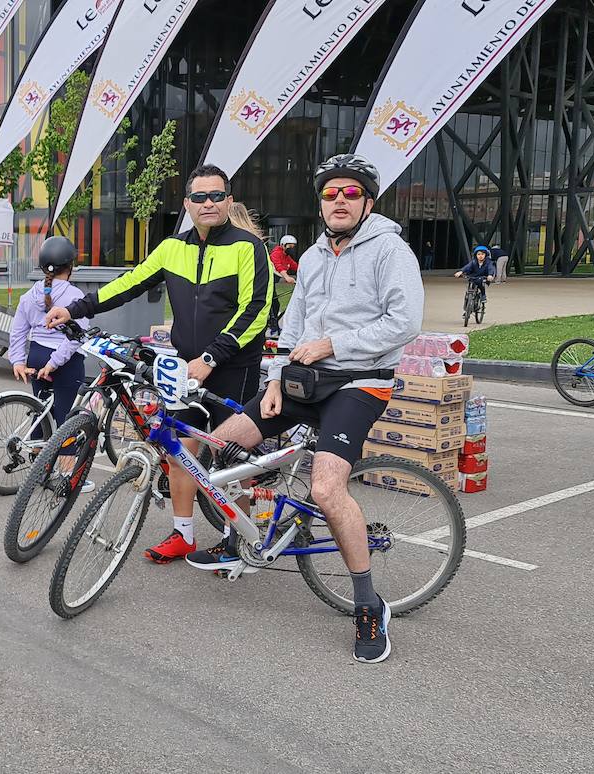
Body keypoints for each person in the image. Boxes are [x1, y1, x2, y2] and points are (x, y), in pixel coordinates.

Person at [182, 153, 422, 664]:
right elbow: (290, 330)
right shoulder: (312, 258)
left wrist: (332, 345)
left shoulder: (390, 250)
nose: (339, 200)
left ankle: (366, 604)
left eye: (350, 193)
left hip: (360, 383)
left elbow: (404, 324)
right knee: (224, 446)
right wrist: (272, 382)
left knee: (325, 486)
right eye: (331, 193)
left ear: (367, 201)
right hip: (300, 380)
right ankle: (235, 540)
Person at [45, 164, 273, 564]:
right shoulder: (172, 248)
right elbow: (130, 284)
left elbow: (256, 308)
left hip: (233, 367)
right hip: (185, 368)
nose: (208, 203)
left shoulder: (248, 247)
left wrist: (211, 357)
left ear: (229, 201)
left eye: (216, 196)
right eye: (199, 197)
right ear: (187, 204)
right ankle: (182, 534)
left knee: (231, 457)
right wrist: (74, 309)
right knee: (179, 451)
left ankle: (235, 540)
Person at [9, 237, 92, 490]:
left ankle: (39, 472)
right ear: (71, 266)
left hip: (36, 355)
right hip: (64, 362)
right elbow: (77, 337)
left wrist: (17, 361)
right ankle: (66, 477)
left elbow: (18, 332)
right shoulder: (75, 295)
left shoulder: (29, 295)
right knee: (66, 417)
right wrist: (55, 363)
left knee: (40, 411)